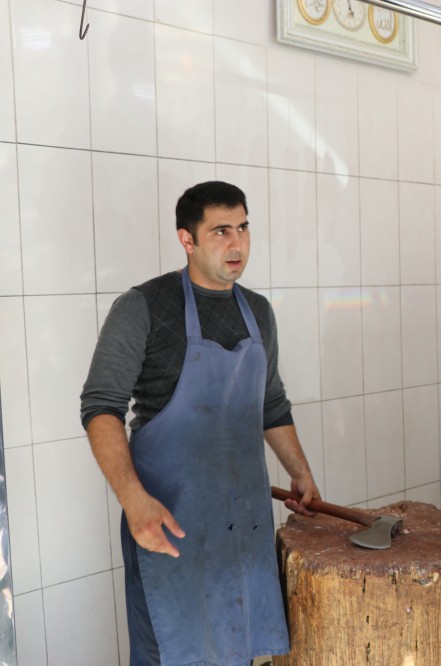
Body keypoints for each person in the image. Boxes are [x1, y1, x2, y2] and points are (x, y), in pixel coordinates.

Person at [81, 181, 319, 666]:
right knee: (174, 653)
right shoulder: (143, 308)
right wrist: (133, 500)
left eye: (244, 228)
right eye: (221, 231)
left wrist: (300, 470)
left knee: (240, 651)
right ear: (186, 240)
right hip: (169, 529)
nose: (237, 244)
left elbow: (271, 403)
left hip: (241, 530)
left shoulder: (259, 312)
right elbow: (100, 407)